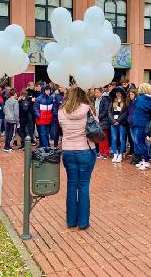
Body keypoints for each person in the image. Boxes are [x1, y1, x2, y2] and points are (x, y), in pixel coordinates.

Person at [58, 87, 97, 230]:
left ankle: (71, 220)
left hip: (68, 150)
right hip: (85, 150)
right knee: (84, 185)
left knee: (72, 185)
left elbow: (61, 126)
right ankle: (83, 222)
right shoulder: (88, 109)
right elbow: (96, 126)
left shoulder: (61, 110)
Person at [132, 83, 151, 170]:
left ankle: (147, 160)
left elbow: (133, 104)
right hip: (145, 123)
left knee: (139, 142)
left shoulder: (140, 98)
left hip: (139, 123)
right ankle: (145, 159)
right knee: (142, 142)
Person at [108, 87, 128, 163]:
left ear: (122, 94)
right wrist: (113, 121)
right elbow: (109, 112)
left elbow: (125, 113)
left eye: (119, 93)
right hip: (113, 123)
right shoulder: (112, 101)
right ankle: (115, 154)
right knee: (114, 138)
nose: (118, 94)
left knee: (122, 139)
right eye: (117, 93)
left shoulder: (125, 102)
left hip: (121, 123)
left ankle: (120, 154)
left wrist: (118, 120)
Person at [94, 87, 111, 159]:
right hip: (97, 120)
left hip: (104, 120)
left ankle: (106, 153)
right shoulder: (95, 100)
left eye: (97, 92)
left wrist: (99, 117)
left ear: (101, 92)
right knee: (100, 137)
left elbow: (106, 110)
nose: (96, 94)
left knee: (105, 137)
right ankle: (101, 152)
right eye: (95, 93)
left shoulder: (104, 99)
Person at [3, 88, 19, 152]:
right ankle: (8, 147)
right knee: (12, 134)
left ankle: (6, 146)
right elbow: (16, 113)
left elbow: (4, 109)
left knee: (7, 133)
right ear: (15, 94)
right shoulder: (15, 102)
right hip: (13, 120)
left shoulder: (7, 100)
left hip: (7, 119)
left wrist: (7, 115)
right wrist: (18, 122)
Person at [126, 88, 138, 160]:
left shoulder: (136, 103)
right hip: (130, 123)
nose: (131, 96)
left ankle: (138, 156)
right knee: (133, 140)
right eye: (130, 94)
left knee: (136, 140)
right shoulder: (129, 103)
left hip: (135, 124)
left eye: (132, 94)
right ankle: (135, 154)